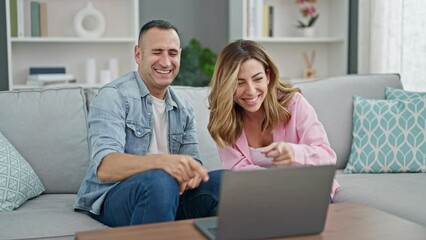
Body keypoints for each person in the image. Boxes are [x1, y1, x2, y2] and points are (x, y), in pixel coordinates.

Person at [74, 20, 224, 227]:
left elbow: (193, 162)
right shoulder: (114, 96)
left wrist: (191, 175)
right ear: (138, 54)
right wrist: (163, 162)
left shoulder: (184, 107)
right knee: (160, 180)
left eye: (172, 53)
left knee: (225, 182)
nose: (165, 61)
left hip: (167, 195)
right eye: (157, 52)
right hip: (113, 196)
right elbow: (105, 167)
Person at [207, 39, 339, 199]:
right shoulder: (225, 118)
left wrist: (295, 153)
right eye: (239, 83)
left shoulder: (294, 104)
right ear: (226, 85)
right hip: (259, 195)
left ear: (268, 76)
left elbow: (327, 157)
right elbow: (237, 169)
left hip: (307, 193)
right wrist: (276, 184)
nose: (251, 91)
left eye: (257, 79)